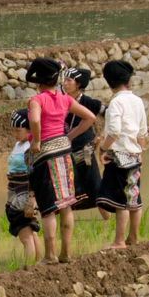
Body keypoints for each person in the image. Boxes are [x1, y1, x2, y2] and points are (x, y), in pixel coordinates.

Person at [24, 57, 97, 264]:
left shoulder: (37, 100)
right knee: (66, 204)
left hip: (45, 154)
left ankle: (50, 255)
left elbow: (35, 119)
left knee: (48, 207)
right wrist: (70, 137)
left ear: (38, 82)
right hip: (64, 152)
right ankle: (65, 252)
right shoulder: (65, 99)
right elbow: (90, 117)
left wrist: (37, 140)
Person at [96, 60, 148, 249]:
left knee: (120, 202)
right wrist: (139, 151)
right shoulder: (137, 101)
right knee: (134, 198)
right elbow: (142, 132)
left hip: (119, 155)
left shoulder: (116, 102)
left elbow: (115, 131)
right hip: (135, 154)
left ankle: (119, 241)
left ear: (109, 81)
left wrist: (103, 148)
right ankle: (132, 238)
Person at [61, 67, 103, 236]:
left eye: (68, 81)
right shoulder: (61, 100)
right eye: (64, 80)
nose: (64, 84)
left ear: (78, 84)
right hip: (65, 149)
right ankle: (65, 221)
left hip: (84, 150)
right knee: (67, 186)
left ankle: (107, 219)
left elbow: (111, 115)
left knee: (94, 185)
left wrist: (101, 137)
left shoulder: (89, 102)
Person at [4, 111, 40, 264]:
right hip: (15, 193)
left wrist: (31, 201)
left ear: (30, 130)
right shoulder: (19, 144)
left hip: (24, 195)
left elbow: (34, 175)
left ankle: (29, 269)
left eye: (18, 130)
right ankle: (38, 263)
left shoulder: (30, 147)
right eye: (12, 130)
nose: (15, 134)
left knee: (25, 235)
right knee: (31, 233)